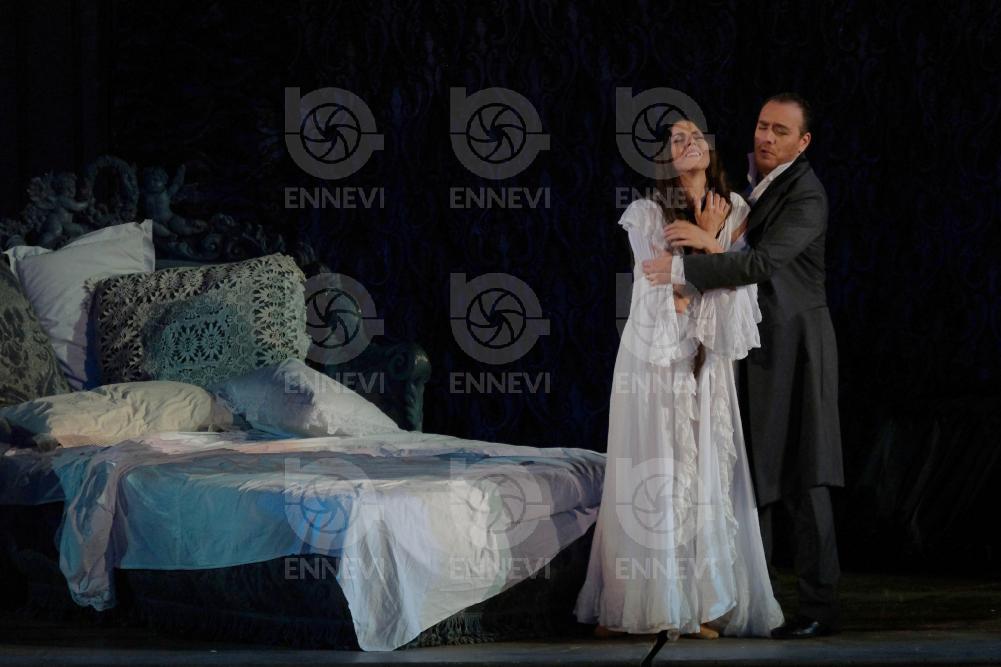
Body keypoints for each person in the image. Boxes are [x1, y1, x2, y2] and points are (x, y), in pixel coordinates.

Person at [641, 93, 843, 639]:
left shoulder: (806, 193)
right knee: (755, 474)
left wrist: (691, 258)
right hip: (752, 347)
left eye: (781, 131)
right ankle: (755, 597)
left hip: (796, 347)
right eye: (762, 126)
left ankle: (819, 606)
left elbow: (762, 263)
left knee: (806, 472)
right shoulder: (753, 188)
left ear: (803, 142)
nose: (766, 137)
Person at [574, 118, 784, 641]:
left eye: (695, 134)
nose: (689, 141)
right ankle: (637, 603)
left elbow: (741, 291)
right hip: (657, 360)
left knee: (705, 470)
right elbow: (660, 289)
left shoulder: (736, 210)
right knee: (657, 468)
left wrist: (707, 242)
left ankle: (701, 602)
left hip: (708, 362)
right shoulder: (647, 213)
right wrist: (708, 261)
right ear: (667, 158)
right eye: (677, 138)